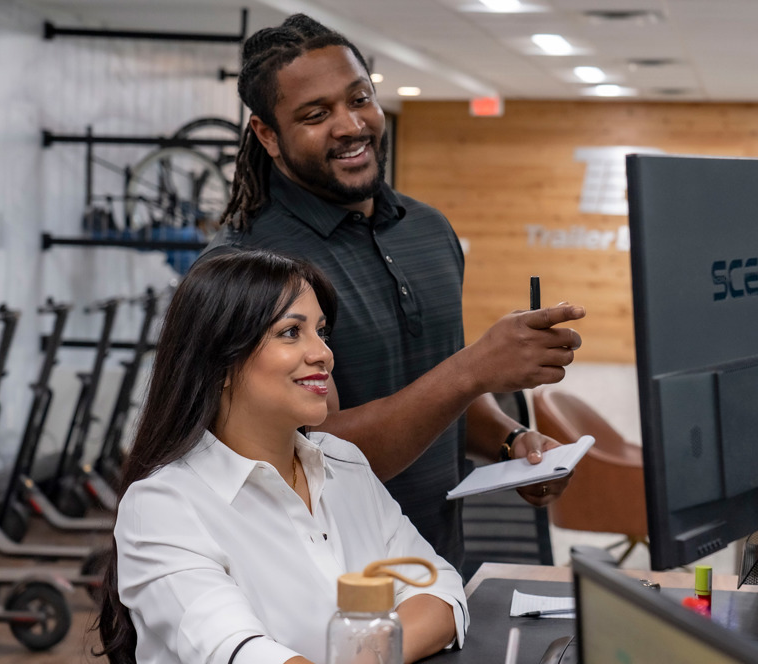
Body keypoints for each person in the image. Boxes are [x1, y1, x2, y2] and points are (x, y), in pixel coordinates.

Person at [205, 14, 586, 567]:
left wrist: (510, 441)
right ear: (267, 135)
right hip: (318, 585)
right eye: (316, 115)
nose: (349, 125)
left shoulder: (427, 230)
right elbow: (313, 456)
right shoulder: (248, 269)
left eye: (359, 99)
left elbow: (434, 383)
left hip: (438, 565)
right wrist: (474, 367)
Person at [97, 248, 467, 664]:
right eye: (291, 332)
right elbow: (238, 653)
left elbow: (440, 593)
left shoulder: (343, 464)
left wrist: (367, 657)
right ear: (219, 363)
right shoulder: (163, 506)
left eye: (321, 332)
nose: (323, 354)